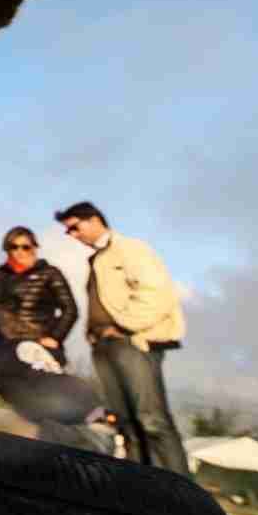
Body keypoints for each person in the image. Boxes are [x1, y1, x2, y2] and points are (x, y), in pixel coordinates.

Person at [55, 201, 190, 475]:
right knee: (126, 422)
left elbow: (157, 293)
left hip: (131, 344)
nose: (72, 235)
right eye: (68, 231)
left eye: (74, 227)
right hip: (105, 346)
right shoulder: (97, 258)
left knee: (152, 420)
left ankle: (180, 492)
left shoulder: (130, 249)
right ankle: (141, 490)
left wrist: (125, 327)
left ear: (93, 220)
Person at [0, 310, 114, 455]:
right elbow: (60, 360)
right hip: (103, 426)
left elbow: (36, 408)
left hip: (84, 439)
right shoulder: (21, 344)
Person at [0, 226, 78, 369]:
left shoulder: (50, 273)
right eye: (14, 247)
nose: (20, 251)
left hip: (40, 345)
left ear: (35, 248)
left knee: (42, 388)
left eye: (25, 247)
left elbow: (70, 309)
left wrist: (55, 337)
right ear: (7, 249)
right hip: (6, 345)